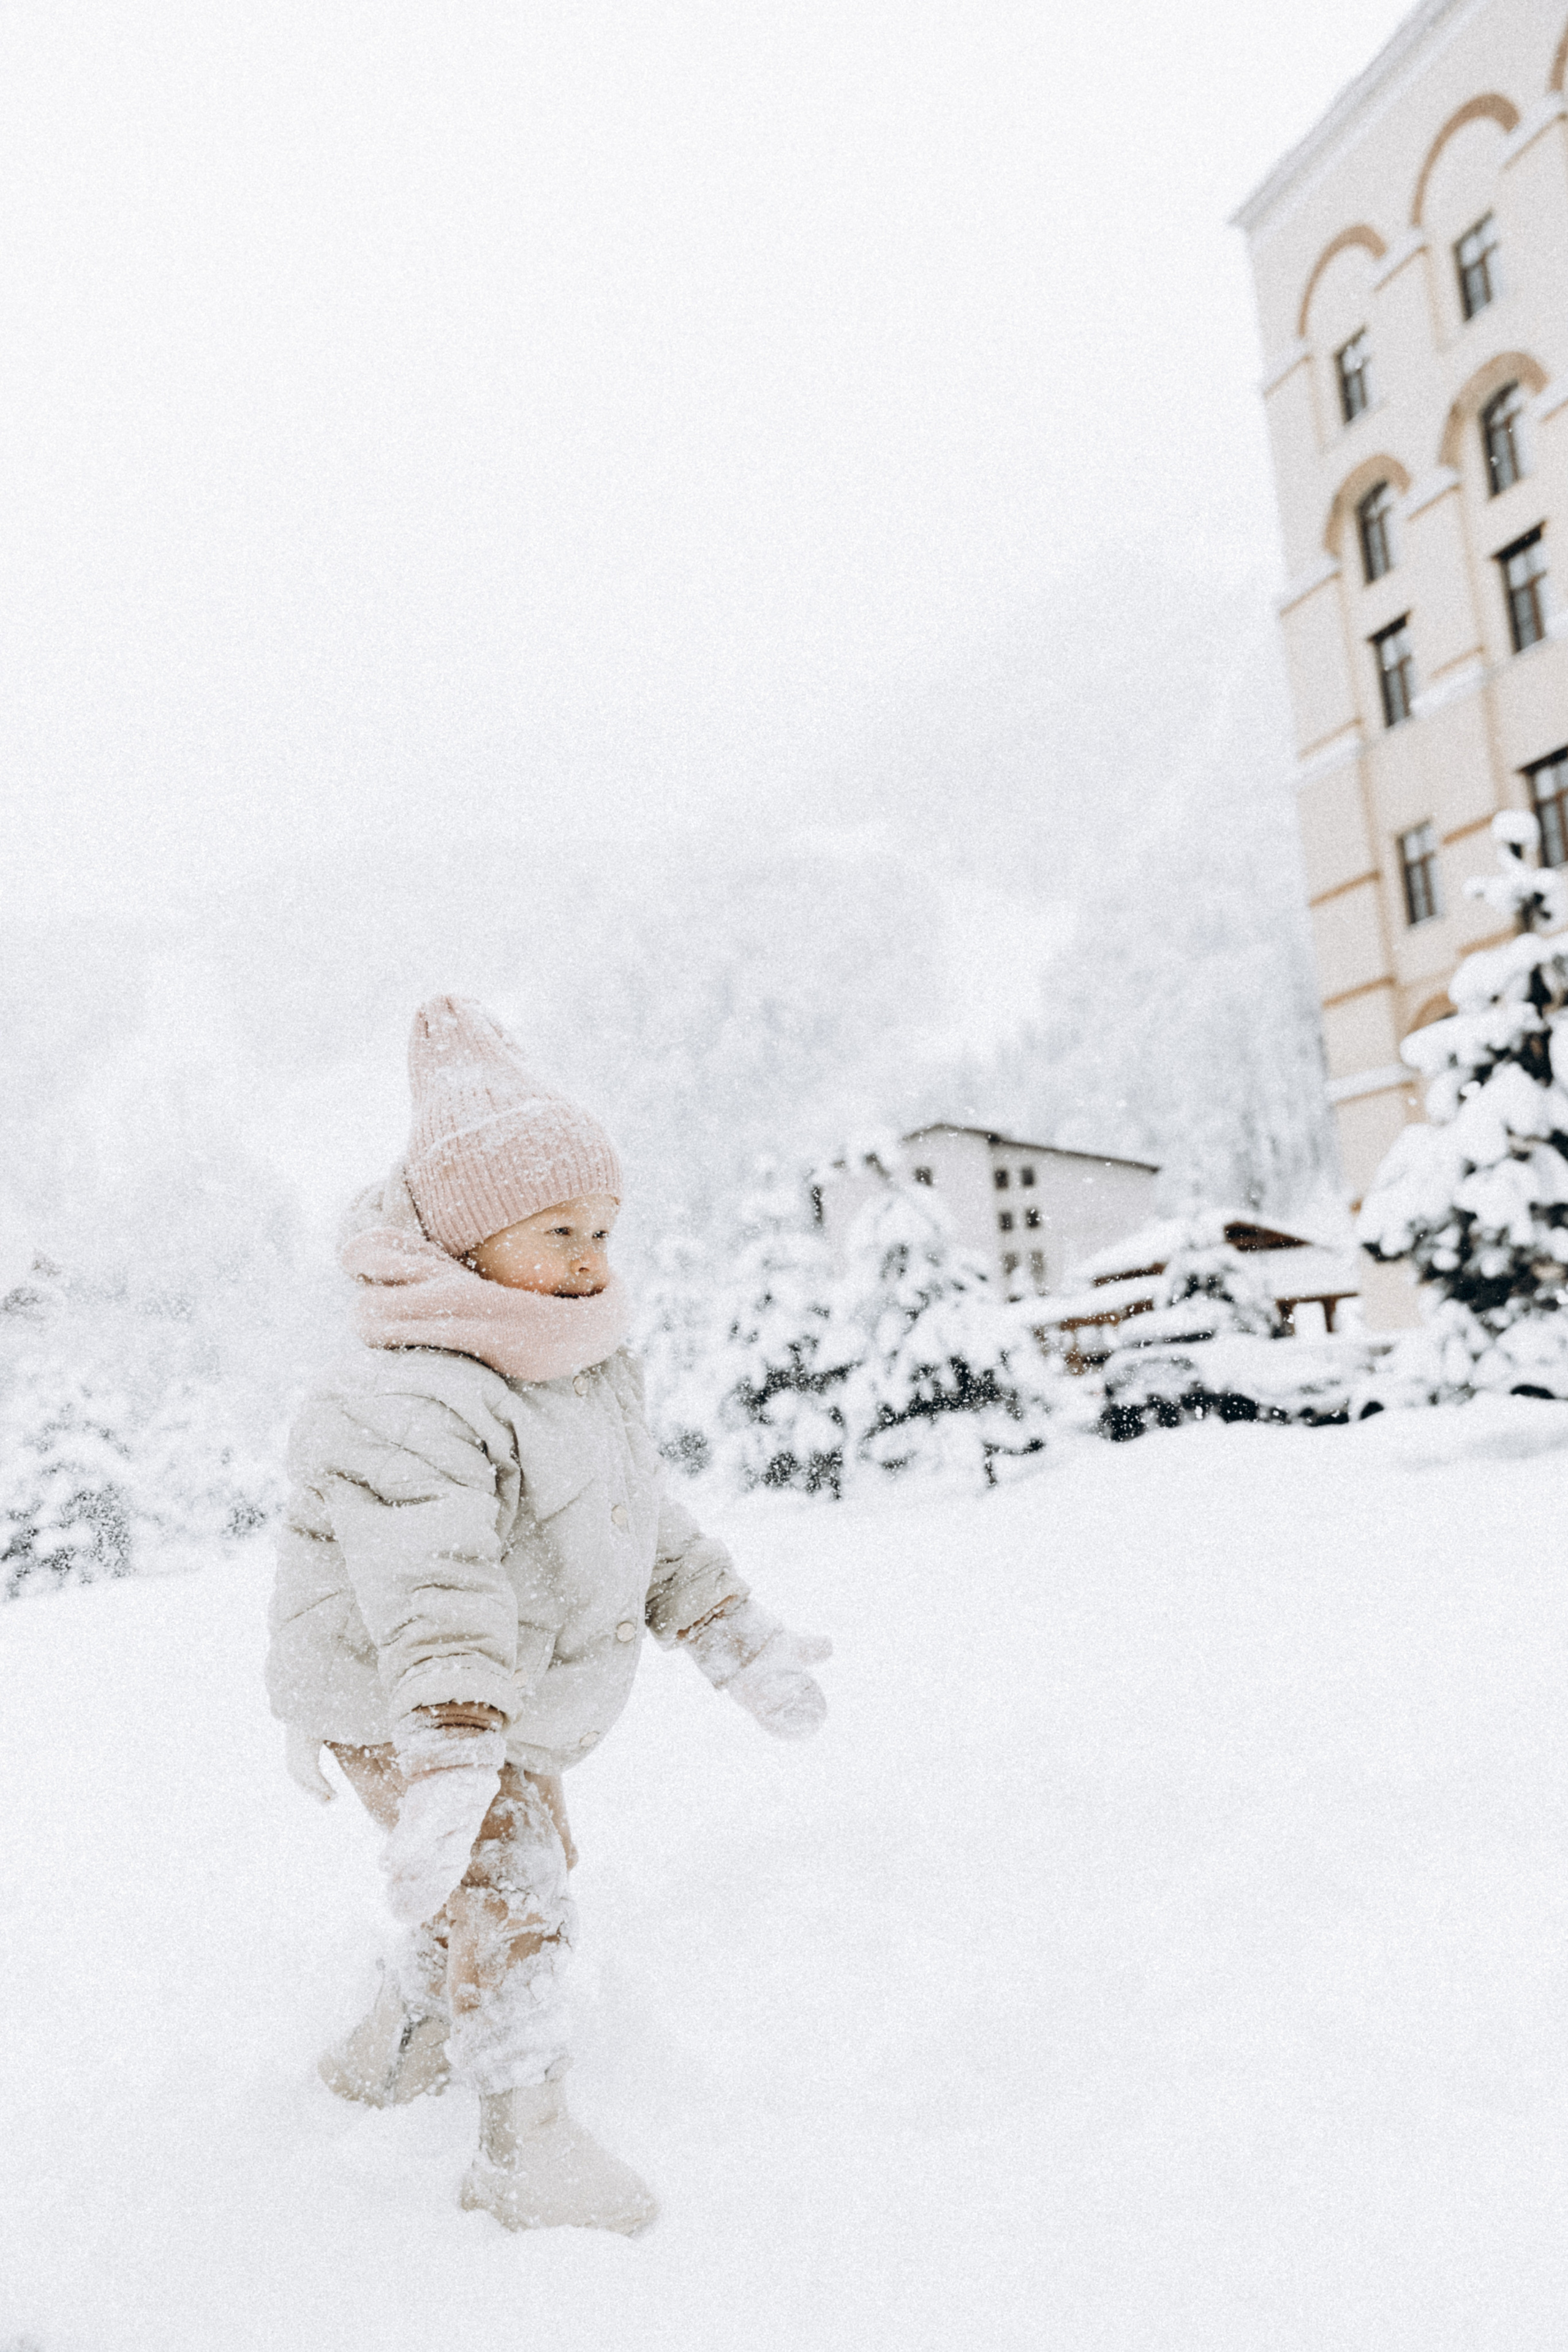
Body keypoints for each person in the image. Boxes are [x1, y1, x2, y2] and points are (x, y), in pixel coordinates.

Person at [266, 994, 831, 2236]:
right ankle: (524, 2150)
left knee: (510, 1870)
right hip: (397, 1687)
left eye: (603, 1229)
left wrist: (731, 1631)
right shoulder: (406, 1394)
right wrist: (450, 1748)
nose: (590, 1258)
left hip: (482, 1685)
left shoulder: (563, 1365)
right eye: (559, 1230)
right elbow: (432, 1584)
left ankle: (400, 2040)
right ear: (471, 1240)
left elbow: (636, 1520)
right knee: (513, 1881)